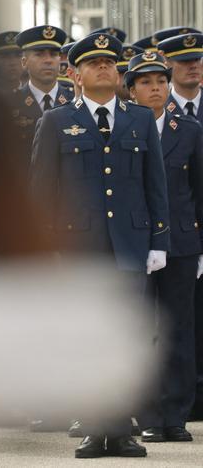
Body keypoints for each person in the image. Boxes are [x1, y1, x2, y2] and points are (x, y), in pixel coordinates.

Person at [30, 32, 169, 459]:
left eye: (109, 63)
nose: (104, 68)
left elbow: (154, 184)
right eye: (93, 64)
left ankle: (121, 428)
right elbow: (41, 190)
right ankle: (93, 426)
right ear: (76, 74)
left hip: (130, 242)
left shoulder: (140, 119)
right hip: (77, 247)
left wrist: (158, 239)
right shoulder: (55, 121)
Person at [123, 51, 203, 443]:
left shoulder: (188, 129)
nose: (155, 88)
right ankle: (148, 414)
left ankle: (176, 415)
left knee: (178, 329)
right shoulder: (122, 129)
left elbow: (200, 191)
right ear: (131, 89)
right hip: (137, 242)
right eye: (146, 82)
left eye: (160, 81)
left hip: (182, 241)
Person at [12, 25, 71, 152]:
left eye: (53, 54)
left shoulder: (75, 100)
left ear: (60, 60)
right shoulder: (10, 104)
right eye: (39, 54)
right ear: (24, 62)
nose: (48, 60)